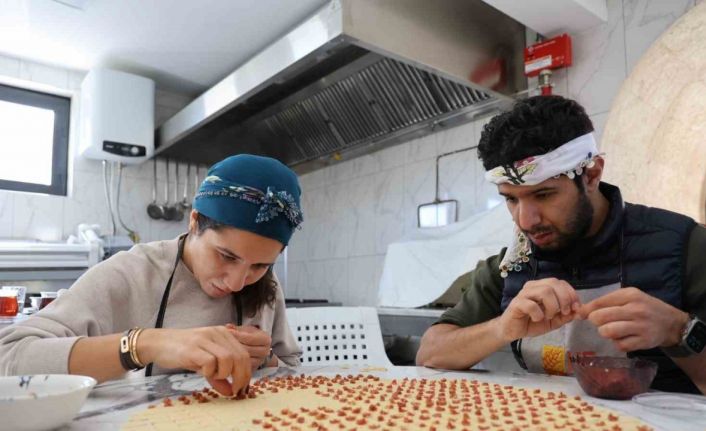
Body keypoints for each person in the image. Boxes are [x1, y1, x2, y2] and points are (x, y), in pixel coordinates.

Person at [416, 95, 706, 394]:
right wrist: (501, 328)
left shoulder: (684, 248)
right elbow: (430, 352)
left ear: (592, 175)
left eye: (544, 195)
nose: (525, 221)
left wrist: (678, 331)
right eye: (511, 199)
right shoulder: (511, 266)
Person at [0, 154, 304, 396]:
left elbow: (292, 370)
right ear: (195, 222)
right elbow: (10, 357)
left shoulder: (266, 286)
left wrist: (264, 359)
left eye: (259, 265)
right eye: (226, 256)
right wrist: (146, 345)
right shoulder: (130, 274)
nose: (238, 282)